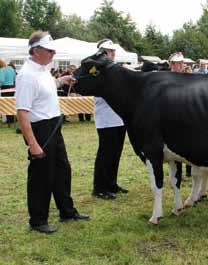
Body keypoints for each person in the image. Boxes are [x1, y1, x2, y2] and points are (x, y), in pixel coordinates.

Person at [15, 30, 89, 234]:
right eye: (49, 50)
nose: (53, 54)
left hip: (54, 126)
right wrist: (33, 144)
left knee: (62, 170)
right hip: (40, 129)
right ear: (36, 51)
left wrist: (60, 81)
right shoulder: (27, 75)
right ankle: (38, 220)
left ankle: (66, 211)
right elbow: (22, 112)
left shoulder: (42, 69)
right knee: (41, 176)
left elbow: (44, 89)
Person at [92, 39, 129, 200]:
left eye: (113, 51)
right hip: (106, 118)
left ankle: (111, 183)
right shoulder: (96, 70)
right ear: (101, 53)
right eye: (109, 51)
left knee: (116, 152)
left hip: (119, 118)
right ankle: (99, 187)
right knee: (105, 153)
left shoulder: (115, 69)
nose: (113, 54)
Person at [168, 52, 192, 178]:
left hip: (186, 114)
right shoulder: (167, 78)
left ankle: (189, 170)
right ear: (172, 64)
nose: (181, 65)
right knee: (175, 146)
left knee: (189, 143)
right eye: (179, 63)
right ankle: (177, 173)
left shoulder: (187, 77)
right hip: (172, 115)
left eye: (182, 62)